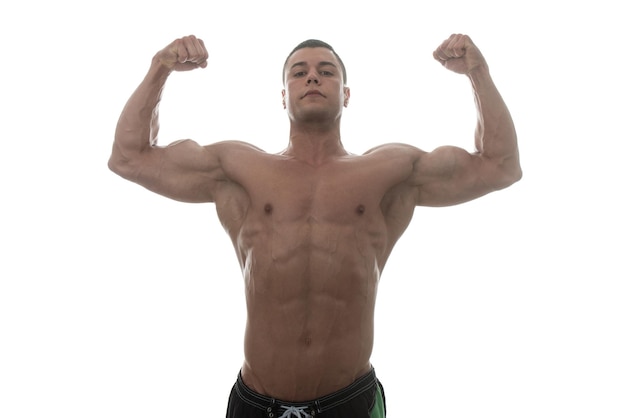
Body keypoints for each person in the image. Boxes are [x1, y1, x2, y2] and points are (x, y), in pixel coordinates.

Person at [109, 33, 521, 417]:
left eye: (327, 71)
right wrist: (159, 67)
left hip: (350, 401)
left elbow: (499, 167)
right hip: (256, 403)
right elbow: (129, 158)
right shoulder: (239, 167)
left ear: (345, 94)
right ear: (283, 95)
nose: (312, 76)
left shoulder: (389, 169)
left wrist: (477, 72)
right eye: (299, 71)